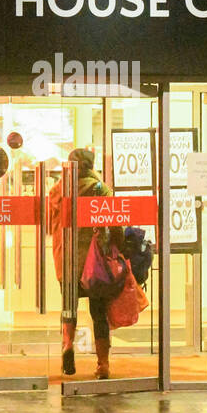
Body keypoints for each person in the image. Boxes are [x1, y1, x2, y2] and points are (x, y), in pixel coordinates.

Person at [47, 147, 124, 379]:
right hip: (95, 263)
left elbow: (51, 224)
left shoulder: (58, 190)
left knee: (69, 307)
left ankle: (68, 345)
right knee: (98, 312)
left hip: (66, 261)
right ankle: (103, 365)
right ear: (92, 166)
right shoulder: (99, 189)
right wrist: (120, 246)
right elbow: (114, 223)